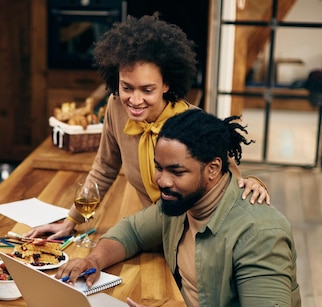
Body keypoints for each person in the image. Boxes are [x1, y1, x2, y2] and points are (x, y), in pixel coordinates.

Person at [56, 109, 300, 307]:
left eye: (176, 171)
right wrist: (92, 260)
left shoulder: (258, 231)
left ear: (213, 168)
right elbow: (131, 232)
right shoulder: (181, 204)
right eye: (158, 167)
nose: (161, 180)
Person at [25, 14, 269, 240]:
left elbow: (231, 184)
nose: (135, 100)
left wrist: (254, 182)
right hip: (152, 231)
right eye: (127, 87)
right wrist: (71, 220)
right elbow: (104, 169)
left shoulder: (194, 124)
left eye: (147, 90)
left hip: (194, 237)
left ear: (166, 84)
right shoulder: (116, 107)